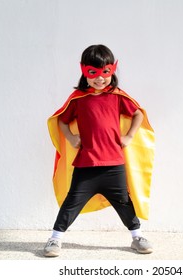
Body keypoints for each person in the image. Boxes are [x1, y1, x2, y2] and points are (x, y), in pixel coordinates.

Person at [45, 45, 155, 257]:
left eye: (105, 72)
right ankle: (55, 239)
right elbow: (62, 121)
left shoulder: (117, 96)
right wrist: (71, 137)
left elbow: (138, 114)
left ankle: (137, 236)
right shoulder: (78, 99)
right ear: (83, 71)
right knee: (71, 203)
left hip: (114, 164)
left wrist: (130, 136)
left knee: (124, 202)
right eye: (93, 73)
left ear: (112, 70)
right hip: (86, 164)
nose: (100, 78)